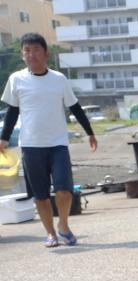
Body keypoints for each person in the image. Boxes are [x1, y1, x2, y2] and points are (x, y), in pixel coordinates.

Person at [0, 32, 97, 248]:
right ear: (22, 54)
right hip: (31, 146)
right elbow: (12, 112)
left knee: (64, 189)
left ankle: (63, 225)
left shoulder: (59, 79)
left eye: (35, 50)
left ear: (46, 54)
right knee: (41, 195)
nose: (31, 54)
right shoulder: (16, 79)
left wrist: (90, 132)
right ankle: (51, 233)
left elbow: (75, 107)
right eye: (26, 50)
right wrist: (4, 138)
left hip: (58, 144)